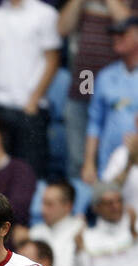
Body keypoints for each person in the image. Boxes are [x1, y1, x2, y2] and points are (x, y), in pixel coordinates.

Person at [0, 0, 60, 178]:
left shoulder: (46, 14)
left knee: (30, 174)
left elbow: (52, 60)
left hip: (30, 109)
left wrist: (34, 99)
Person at [56, 0, 133, 179]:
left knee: (115, 160)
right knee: (78, 159)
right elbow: (62, 28)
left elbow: (130, 23)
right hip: (85, 81)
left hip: (119, 85)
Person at [27, 179, 86, 266]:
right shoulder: (35, 232)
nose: (43, 210)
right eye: (43, 203)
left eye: (49, 204)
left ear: (67, 206)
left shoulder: (81, 231)